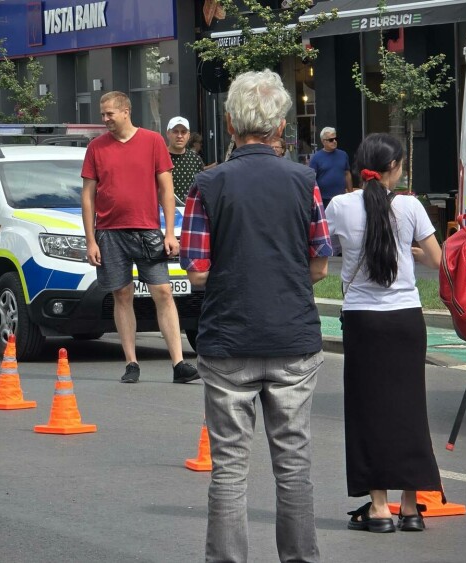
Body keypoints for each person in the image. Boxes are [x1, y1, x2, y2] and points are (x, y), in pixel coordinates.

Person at [180, 70, 332, 563]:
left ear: (228, 122)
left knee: (229, 467)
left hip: (228, 340)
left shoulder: (207, 184)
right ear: (281, 127)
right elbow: (319, 265)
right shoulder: (304, 180)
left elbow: (196, 270)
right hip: (293, 337)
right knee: (294, 465)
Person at [324, 133, 444, 534]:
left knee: (366, 411)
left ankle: (378, 508)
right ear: (396, 167)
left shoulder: (340, 205)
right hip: (406, 321)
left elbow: (325, 250)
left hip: (363, 320)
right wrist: (405, 247)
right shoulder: (410, 206)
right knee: (410, 410)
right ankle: (411, 508)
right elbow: (436, 257)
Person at [81, 91, 199, 384]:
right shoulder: (96, 148)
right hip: (109, 233)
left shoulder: (152, 141)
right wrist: (91, 240)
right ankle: (131, 362)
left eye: (109, 113)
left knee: (163, 292)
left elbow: (166, 190)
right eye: (103, 113)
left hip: (147, 232)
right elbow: (88, 196)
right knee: (122, 295)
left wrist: (170, 232)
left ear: (126, 112)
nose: (104, 119)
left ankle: (179, 363)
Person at [310, 127, 353, 208]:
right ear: (323, 141)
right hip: (323, 199)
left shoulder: (343, 155)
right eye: (331, 140)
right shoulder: (316, 158)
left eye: (335, 139)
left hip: (341, 198)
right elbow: (312, 178)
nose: (334, 141)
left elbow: (347, 174)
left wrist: (350, 193)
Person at [165, 116, 205, 201]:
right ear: (168, 134)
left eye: (183, 132)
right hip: (164, 211)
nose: (179, 136)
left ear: (188, 135)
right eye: (175, 132)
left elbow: (202, 187)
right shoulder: (159, 157)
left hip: (190, 211)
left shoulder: (196, 159)